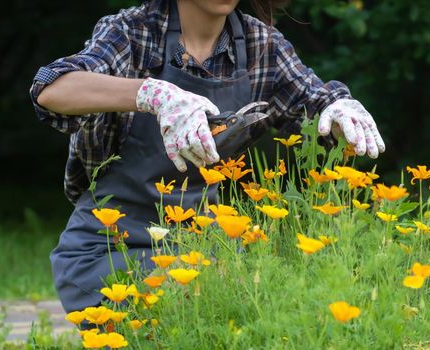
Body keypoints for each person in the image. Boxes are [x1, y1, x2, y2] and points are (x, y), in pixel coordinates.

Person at [30, 0, 385, 313]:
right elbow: (52, 89)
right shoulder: (132, 32)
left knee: (278, 303)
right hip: (108, 252)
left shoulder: (263, 47)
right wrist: (152, 94)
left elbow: (317, 103)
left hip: (202, 249)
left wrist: (339, 111)